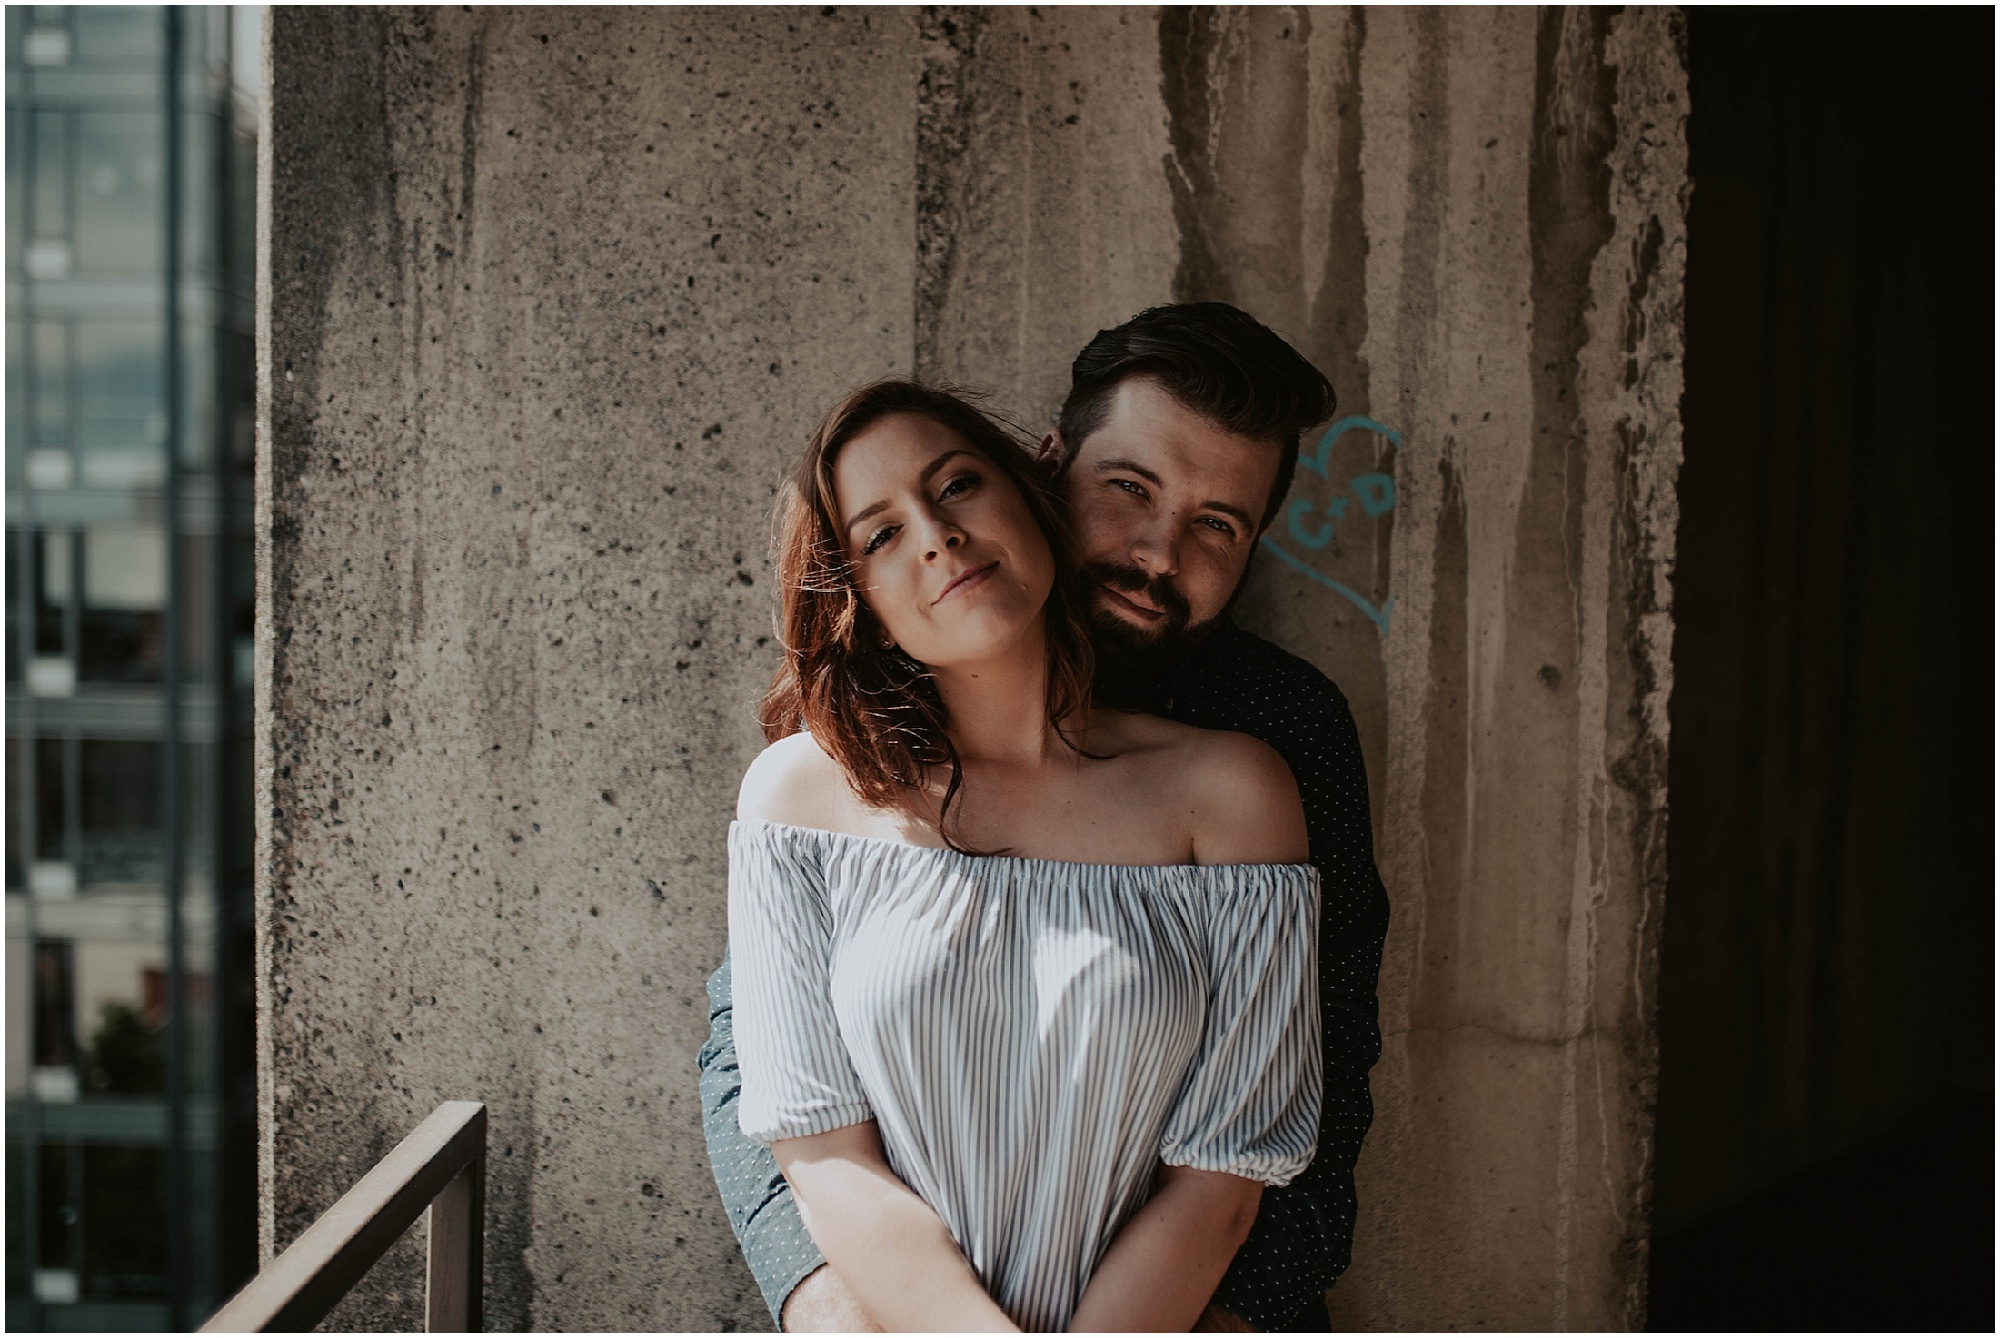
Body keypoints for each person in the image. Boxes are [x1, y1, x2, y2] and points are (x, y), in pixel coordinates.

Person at [700, 303, 1390, 1331]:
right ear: (1046, 465)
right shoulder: (844, 754)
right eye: (1127, 489)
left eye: (1215, 525)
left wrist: (1222, 1316)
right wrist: (825, 1298)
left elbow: (1309, 1085)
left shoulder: (1275, 737)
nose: (1155, 551)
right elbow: (757, 1058)